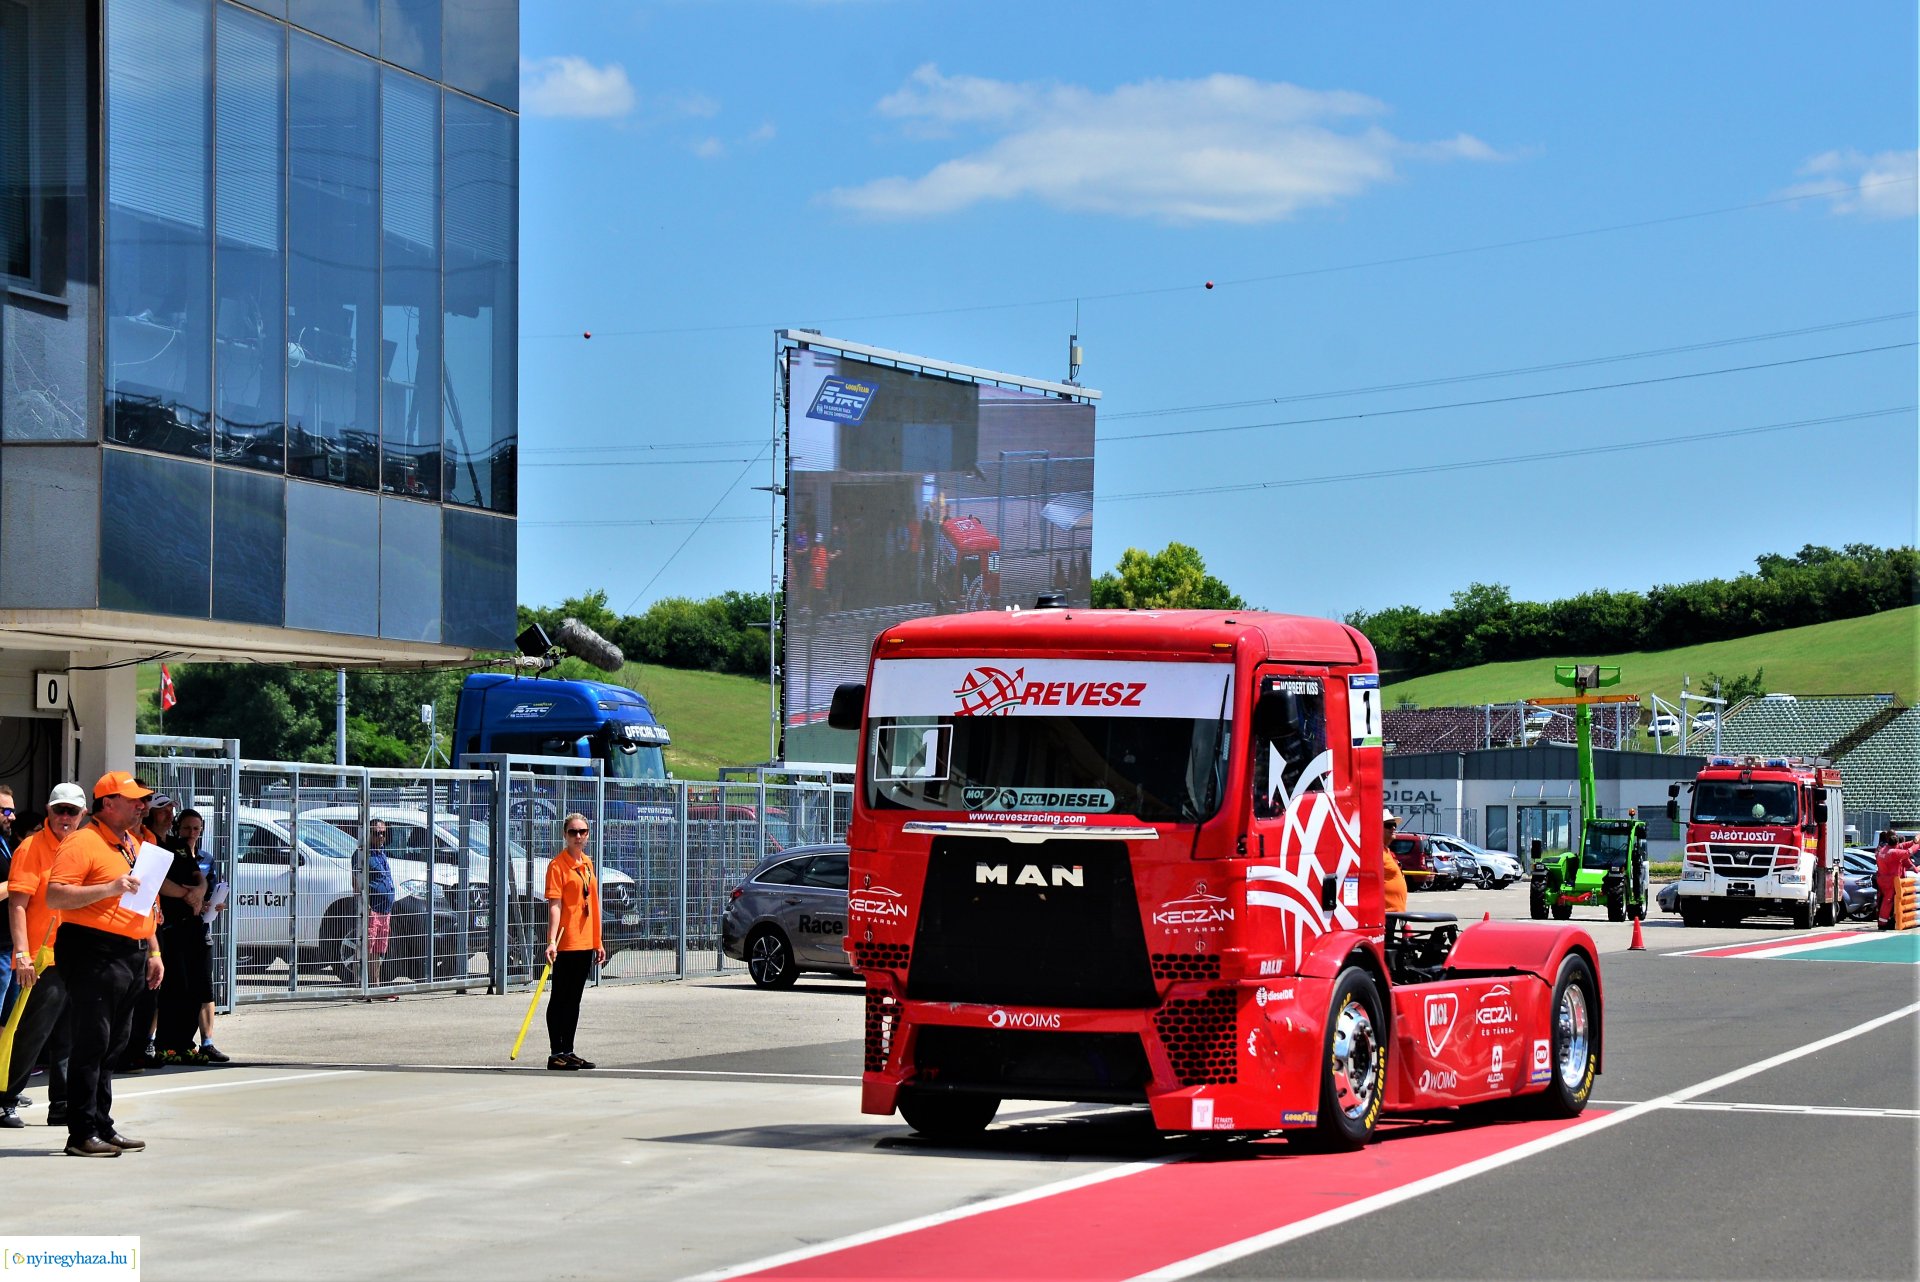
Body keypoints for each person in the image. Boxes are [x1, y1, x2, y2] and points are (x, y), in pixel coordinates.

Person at [46, 772, 163, 1158]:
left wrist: (152, 950)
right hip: (92, 950)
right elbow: (56, 895)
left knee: (114, 1044)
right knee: (92, 1042)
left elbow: (140, 902)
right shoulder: (83, 841)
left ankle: (100, 1124)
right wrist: (110, 889)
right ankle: (80, 1132)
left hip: (128, 950)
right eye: (133, 800)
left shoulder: (130, 843)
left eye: (144, 800)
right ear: (107, 803)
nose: (142, 806)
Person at [1, 783, 86, 1130]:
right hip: (40, 958)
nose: (65, 817)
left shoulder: (83, 848)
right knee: (32, 1032)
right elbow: (18, 905)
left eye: (72, 811)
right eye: (59, 810)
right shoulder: (31, 848)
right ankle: (5, 1099)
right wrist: (22, 954)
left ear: (83, 815)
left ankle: (61, 1103)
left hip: (76, 956)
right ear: (49, 811)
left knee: (69, 1034)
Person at [542, 813, 605, 1071]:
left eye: (582, 832)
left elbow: (594, 905)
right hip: (566, 941)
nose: (578, 836)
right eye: (572, 832)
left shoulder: (587, 864)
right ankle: (556, 1052)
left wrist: (597, 941)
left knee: (574, 999)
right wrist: (551, 941)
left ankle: (568, 1049)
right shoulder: (558, 866)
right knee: (560, 997)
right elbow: (555, 906)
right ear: (565, 835)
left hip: (585, 941)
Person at [154, 810, 213, 1064]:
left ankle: (185, 1045)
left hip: (193, 925)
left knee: (194, 987)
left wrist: (200, 890)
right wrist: (185, 895)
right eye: (164, 813)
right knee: (172, 986)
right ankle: (165, 1044)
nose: (169, 817)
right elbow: (156, 881)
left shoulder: (180, 848)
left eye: (196, 829)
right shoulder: (152, 845)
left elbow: (197, 875)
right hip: (169, 926)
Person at [351, 819, 396, 997]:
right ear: (368, 834)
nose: (381, 836)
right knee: (364, 947)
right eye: (377, 833)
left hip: (385, 910)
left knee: (378, 950)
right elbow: (357, 883)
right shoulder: (362, 854)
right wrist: (366, 905)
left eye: (383, 833)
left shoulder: (381, 853)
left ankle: (375, 986)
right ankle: (357, 986)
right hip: (372, 909)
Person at [0, 785, 15, 1025]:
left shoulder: (4, 842)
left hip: (10, 949)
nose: (12, 816)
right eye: (5, 810)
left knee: (7, 1021)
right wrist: (19, 882)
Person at [1381, 809, 1408, 915]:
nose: (1393, 828)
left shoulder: (1387, 852)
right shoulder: (1375, 852)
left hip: (1396, 912)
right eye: (1388, 825)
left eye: (1394, 825)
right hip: (1385, 914)